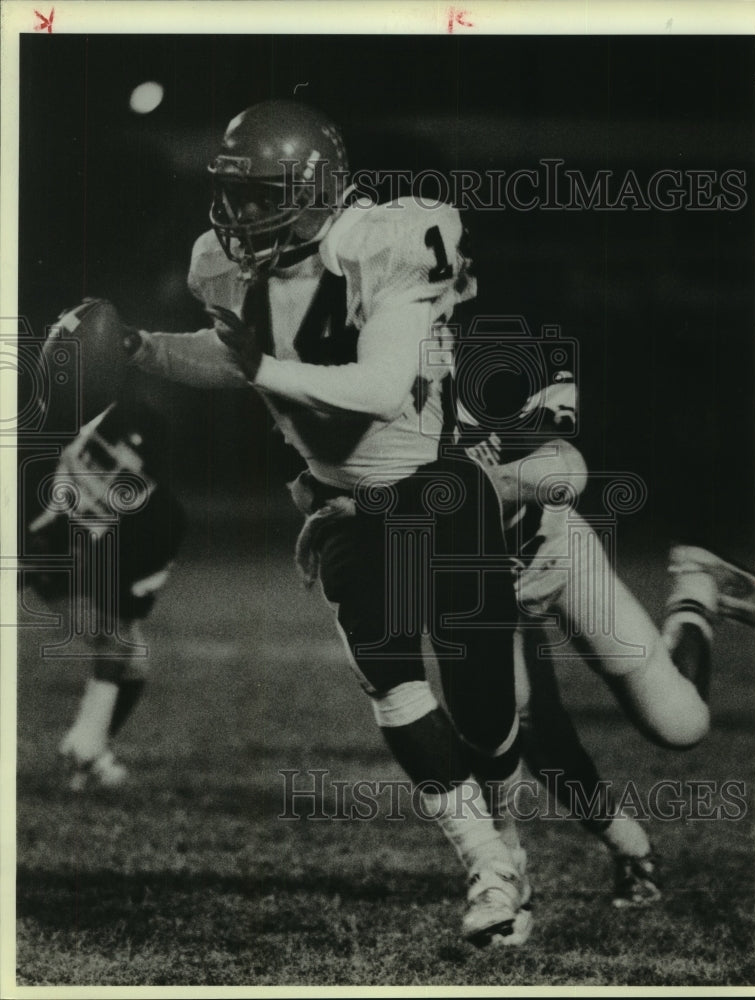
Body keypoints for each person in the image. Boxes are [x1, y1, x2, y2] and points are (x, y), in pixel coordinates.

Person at [104, 99, 535, 948]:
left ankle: (513, 846)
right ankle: (483, 861)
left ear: (314, 189)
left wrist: (256, 361)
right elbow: (230, 361)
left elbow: (376, 388)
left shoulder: (386, 244)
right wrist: (143, 349)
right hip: (341, 501)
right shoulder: (220, 265)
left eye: (262, 195)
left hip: (436, 491)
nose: (240, 215)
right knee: (389, 677)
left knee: (484, 712)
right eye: (233, 195)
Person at [455, 330, 755, 905]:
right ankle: (593, 853)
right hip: (475, 591)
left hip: (556, 555)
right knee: (516, 721)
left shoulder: (496, 367)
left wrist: (474, 484)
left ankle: (697, 587)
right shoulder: (386, 389)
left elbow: (564, 467)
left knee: (681, 726)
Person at [24, 389, 186, 791]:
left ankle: (87, 749)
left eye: (126, 477)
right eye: (101, 458)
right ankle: (88, 749)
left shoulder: (157, 522)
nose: (107, 476)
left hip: (63, 558)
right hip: (35, 542)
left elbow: (116, 623)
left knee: (128, 660)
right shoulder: (38, 454)